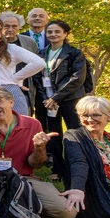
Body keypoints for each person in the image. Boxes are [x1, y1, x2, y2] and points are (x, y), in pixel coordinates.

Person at [0, 86, 75, 218]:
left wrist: (39, 148)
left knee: (67, 212)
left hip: (23, 178)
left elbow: (36, 164)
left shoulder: (32, 124)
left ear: (11, 102)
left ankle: (18, 205)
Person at [35, 20, 87, 180]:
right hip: (47, 102)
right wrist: (46, 98)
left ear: (65, 34)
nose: (53, 35)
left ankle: (78, 167)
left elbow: (77, 78)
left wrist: (56, 97)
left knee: (75, 134)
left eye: (57, 31)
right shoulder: (41, 53)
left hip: (70, 100)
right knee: (52, 135)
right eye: (49, 32)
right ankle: (58, 170)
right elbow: (37, 76)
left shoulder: (74, 53)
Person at [0, 11, 40, 113]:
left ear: (19, 27)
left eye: (14, 26)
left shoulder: (29, 42)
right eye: (6, 26)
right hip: (1, 88)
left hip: (24, 88)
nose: (10, 29)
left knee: (23, 119)